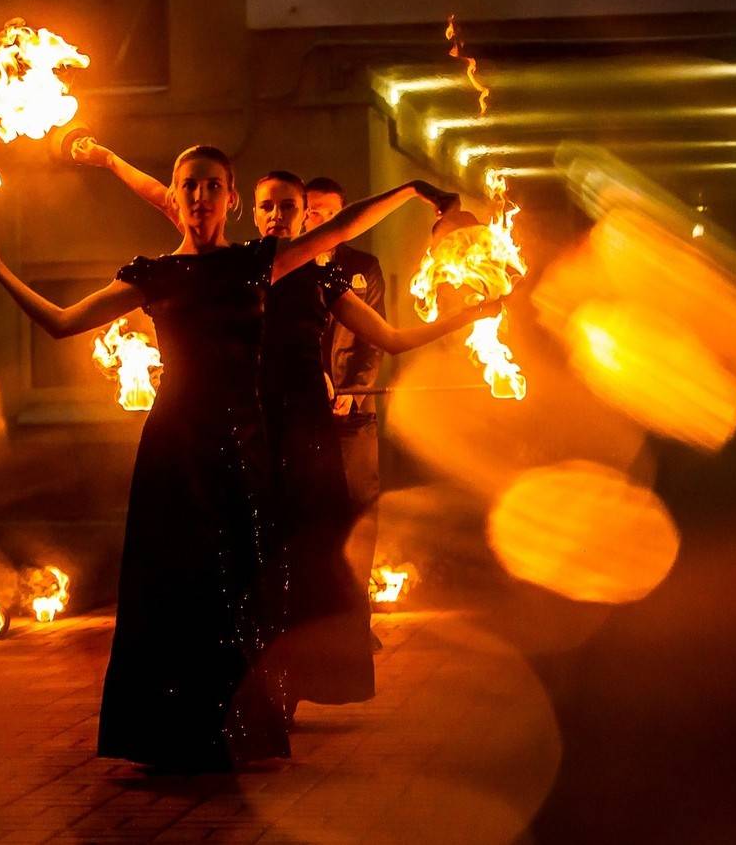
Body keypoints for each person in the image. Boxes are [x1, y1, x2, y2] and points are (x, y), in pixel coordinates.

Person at [0, 143, 461, 770]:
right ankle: (165, 735)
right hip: (175, 445)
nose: (200, 197)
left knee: (242, 588)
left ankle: (236, 730)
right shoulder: (155, 274)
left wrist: (411, 191)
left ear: (230, 198)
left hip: (243, 444)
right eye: (189, 186)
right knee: (172, 585)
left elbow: (338, 229)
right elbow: (62, 322)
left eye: (212, 186)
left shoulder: (257, 264)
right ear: (177, 196)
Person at [67, 138, 498, 719]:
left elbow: (388, 333)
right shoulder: (239, 265)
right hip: (245, 425)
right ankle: (241, 689)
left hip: (303, 432)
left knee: (308, 558)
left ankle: (292, 683)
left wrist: (466, 314)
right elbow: (167, 197)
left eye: (289, 207)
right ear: (250, 210)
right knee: (247, 563)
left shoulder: (316, 276)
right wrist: (109, 159)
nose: (276, 216)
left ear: (305, 216)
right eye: (267, 206)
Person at [306, 177, 386, 623]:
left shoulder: (363, 267)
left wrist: (354, 392)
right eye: (310, 209)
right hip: (303, 410)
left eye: (328, 211)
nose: (317, 218)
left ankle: (357, 619)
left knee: (359, 511)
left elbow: (374, 338)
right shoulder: (290, 265)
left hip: (354, 412)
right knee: (311, 515)